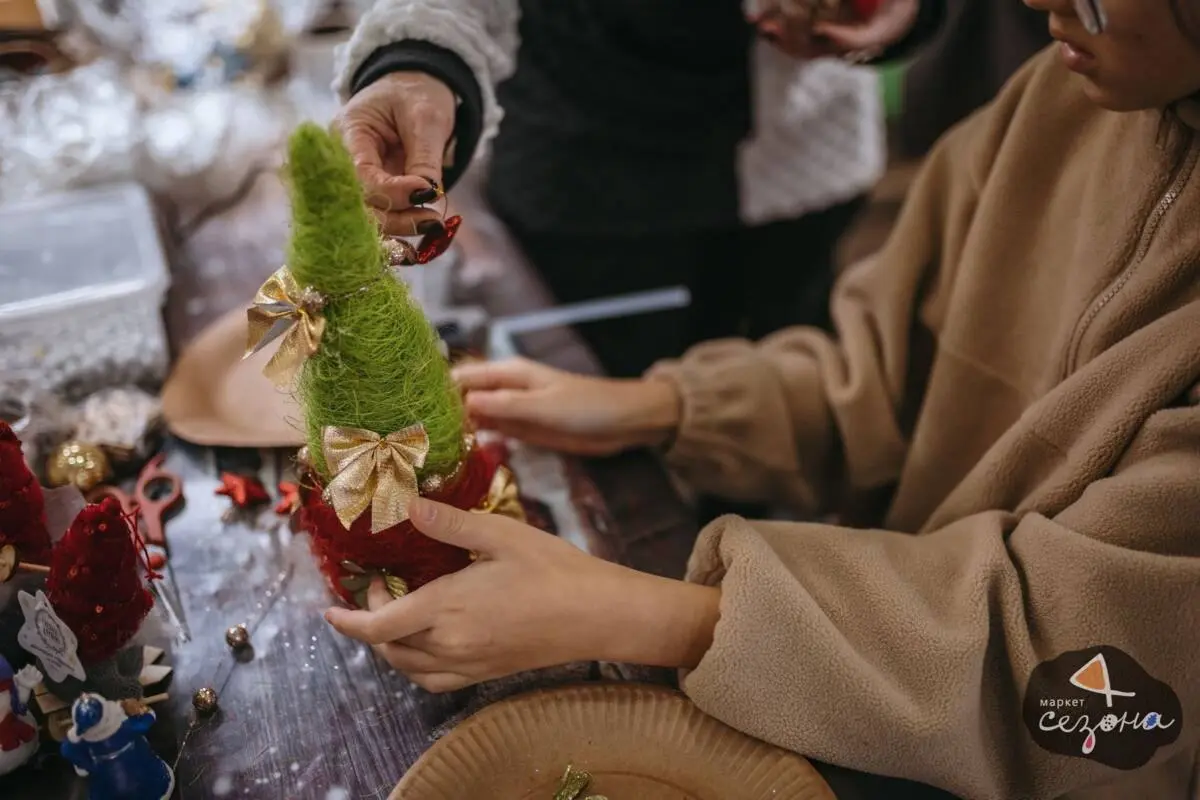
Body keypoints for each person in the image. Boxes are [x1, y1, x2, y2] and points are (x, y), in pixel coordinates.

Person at [325, 0, 1200, 798]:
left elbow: (1094, 690)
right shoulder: (1054, 113)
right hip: (881, 659)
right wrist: (663, 405)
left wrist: (657, 616)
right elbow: (882, 378)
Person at [334, 0, 944, 380]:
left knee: (784, 392)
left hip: (807, 165)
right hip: (593, 183)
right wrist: (420, 61)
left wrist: (900, 9)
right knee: (618, 451)